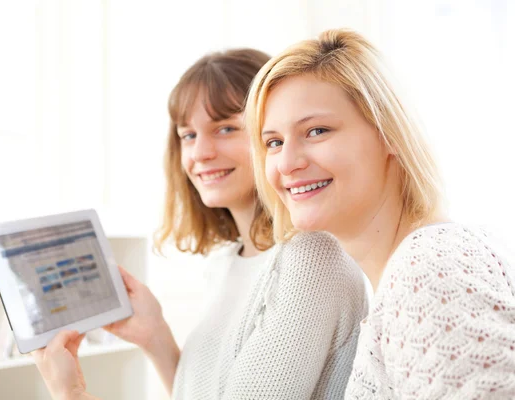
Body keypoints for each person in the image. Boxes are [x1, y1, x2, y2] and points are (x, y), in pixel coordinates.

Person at [33, 48, 368, 400]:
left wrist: (71, 394)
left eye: (225, 128)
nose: (200, 153)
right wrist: (156, 337)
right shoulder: (224, 263)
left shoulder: (311, 257)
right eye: (188, 135)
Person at [246, 28, 515, 399]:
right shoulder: (419, 267)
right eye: (273, 142)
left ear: (389, 133)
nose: (287, 163)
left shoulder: (427, 268)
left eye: (317, 131)